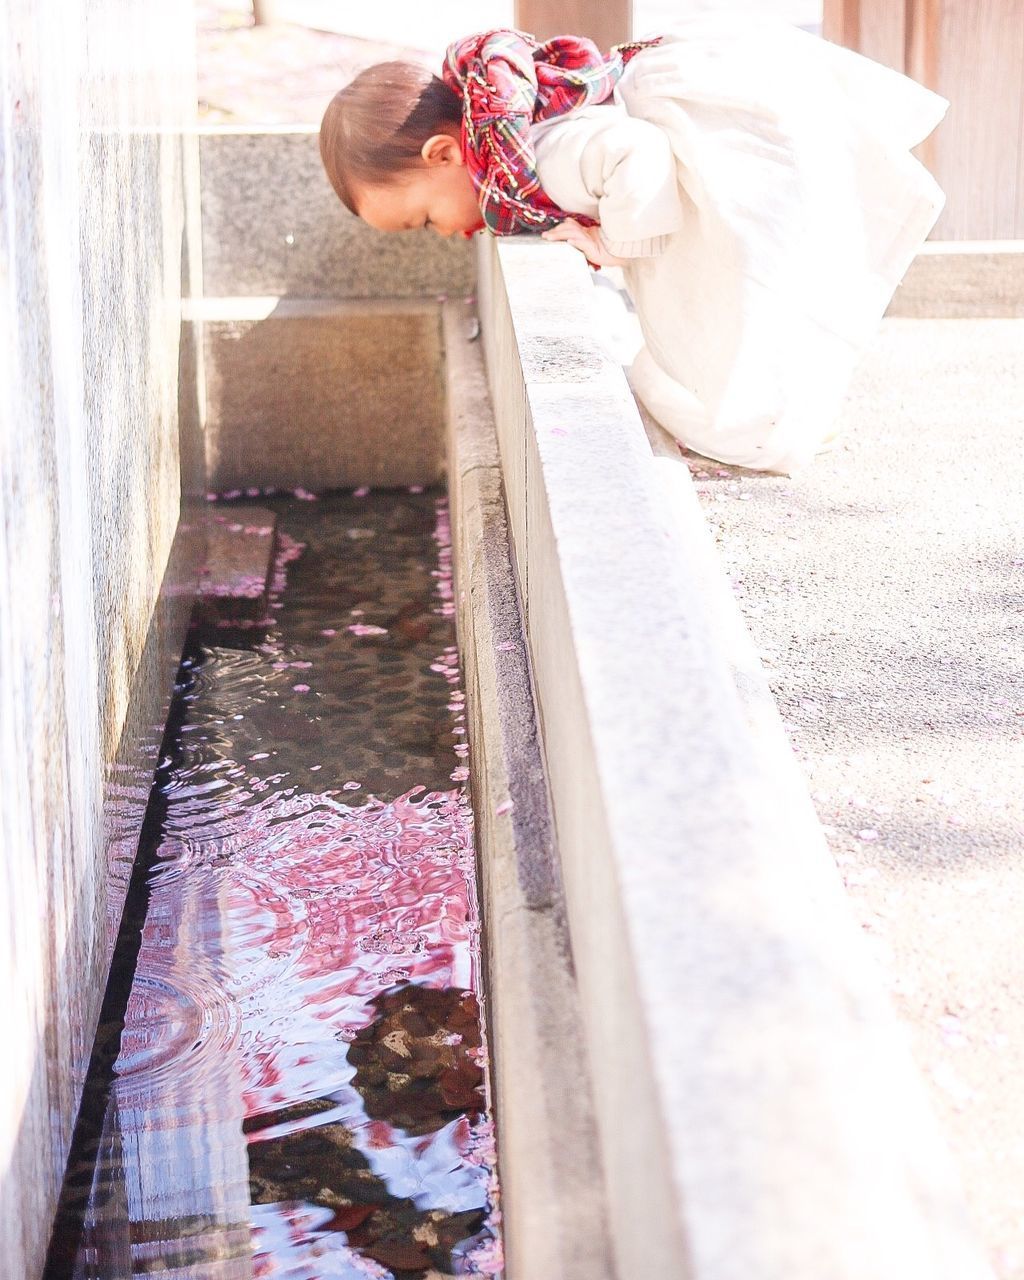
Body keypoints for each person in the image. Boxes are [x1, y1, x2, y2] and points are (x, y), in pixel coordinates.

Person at [319, 16, 949, 474]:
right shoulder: (514, 130)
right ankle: (790, 408)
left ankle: (768, 423)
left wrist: (612, 244)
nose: (451, 234)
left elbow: (634, 152)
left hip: (743, 164)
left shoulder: (539, 156)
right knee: (744, 316)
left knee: (732, 318)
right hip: (742, 130)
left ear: (446, 152)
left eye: (425, 219)